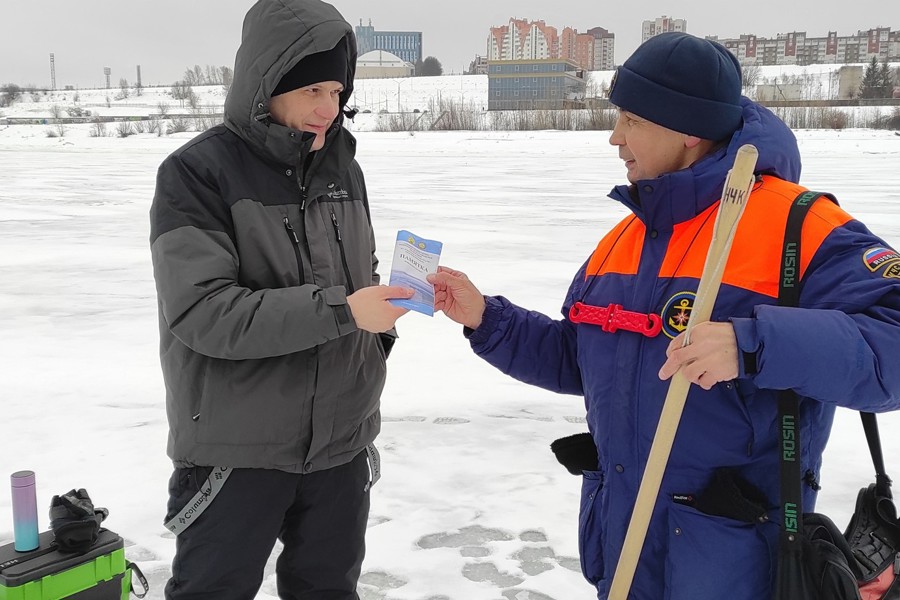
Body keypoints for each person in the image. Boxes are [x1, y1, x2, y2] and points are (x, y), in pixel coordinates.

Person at [429, 32, 900, 599]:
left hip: (735, 566)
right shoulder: (626, 239)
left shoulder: (799, 225)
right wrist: (487, 319)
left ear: (688, 129)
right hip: (625, 553)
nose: (614, 138)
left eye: (631, 120)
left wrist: (754, 344)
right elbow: (582, 362)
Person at [149, 1, 413, 598]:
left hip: (341, 447)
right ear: (266, 83)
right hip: (235, 453)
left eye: (338, 89)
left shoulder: (343, 166)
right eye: (312, 88)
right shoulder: (197, 173)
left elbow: (355, 276)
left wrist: (385, 319)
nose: (329, 107)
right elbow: (203, 313)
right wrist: (345, 311)